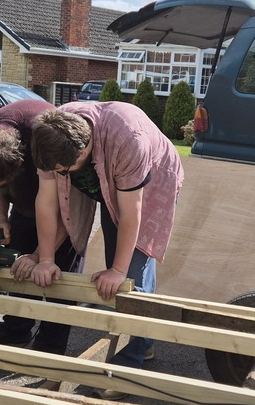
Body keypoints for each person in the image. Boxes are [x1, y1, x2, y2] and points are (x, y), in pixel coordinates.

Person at [17, 101, 184, 371]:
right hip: (107, 176)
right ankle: (143, 339)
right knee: (115, 261)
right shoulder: (48, 137)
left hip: (151, 179)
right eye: (58, 171)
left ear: (84, 149)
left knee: (130, 274)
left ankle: (129, 362)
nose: (61, 175)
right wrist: (45, 258)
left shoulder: (128, 138)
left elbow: (132, 213)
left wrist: (118, 270)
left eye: (66, 170)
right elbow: (47, 202)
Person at [0, 98, 82, 355]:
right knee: (19, 266)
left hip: (62, 198)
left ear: (19, 164)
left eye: (4, 182)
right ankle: (16, 329)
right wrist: (1, 220)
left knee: (56, 273)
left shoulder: (44, 138)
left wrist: (42, 255)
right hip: (26, 202)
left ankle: (50, 345)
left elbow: (68, 210)